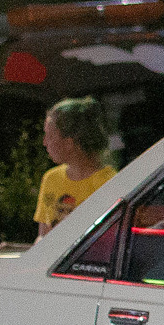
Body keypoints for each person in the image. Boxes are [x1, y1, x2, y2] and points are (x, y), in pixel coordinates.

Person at [35, 97, 116, 238]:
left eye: (49, 135)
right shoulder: (51, 178)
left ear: (69, 143)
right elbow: (43, 237)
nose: (44, 142)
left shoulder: (107, 183)